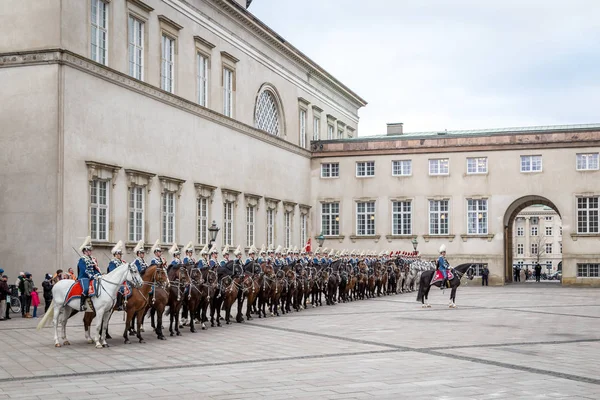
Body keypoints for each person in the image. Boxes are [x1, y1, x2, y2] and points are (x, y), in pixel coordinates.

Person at [76, 236, 101, 312]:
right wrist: (91, 276)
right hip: (84, 277)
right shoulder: (82, 259)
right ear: (85, 251)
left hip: (92, 277)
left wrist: (98, 274)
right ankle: (82, 304)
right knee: (86, 289)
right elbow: (84, 270)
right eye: (89, 251)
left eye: (90, 251)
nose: (90, 252)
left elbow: (94, 269)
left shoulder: (92, 260)